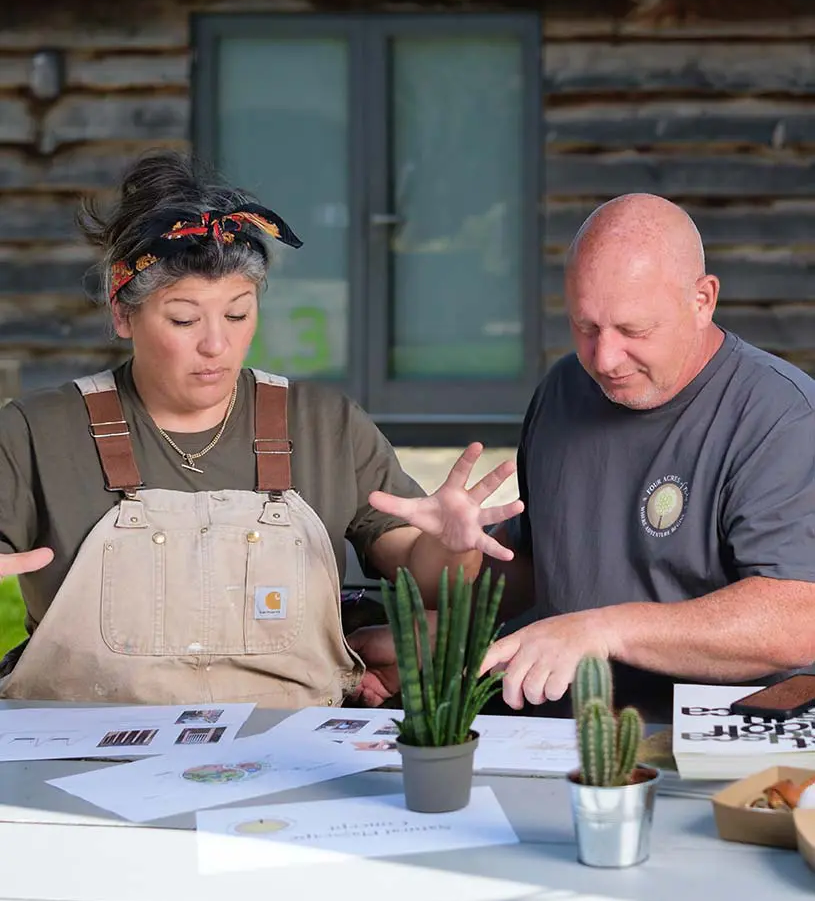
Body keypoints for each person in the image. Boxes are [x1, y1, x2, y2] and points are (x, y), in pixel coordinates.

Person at [0, 150, 522, 707]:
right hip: (80, 755)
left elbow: (429, 581)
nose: (215, 345)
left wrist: (450, 544)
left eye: (237, 314)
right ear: (123, 314)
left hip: (288, 756)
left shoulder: (324, 425)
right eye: (183, 319)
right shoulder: (37, 431)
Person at [471, 192, 815, 722]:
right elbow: (538, 568)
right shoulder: (562, 391)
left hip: (724, 740)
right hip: (555, 734)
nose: (605, 359)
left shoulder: (781, 416)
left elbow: (797, 618)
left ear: (703, 300)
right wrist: (450, 562)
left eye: (634, 331)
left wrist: (606, 629)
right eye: (586, 328)